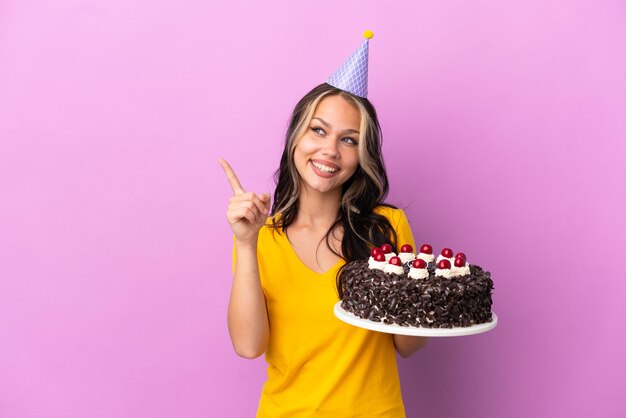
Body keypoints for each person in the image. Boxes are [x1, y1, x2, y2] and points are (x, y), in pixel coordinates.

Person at [219, 33, 428, 417]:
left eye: (349, 139)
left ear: (361, 154)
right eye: (318, 130)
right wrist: (246, 244)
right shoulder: (260, 235)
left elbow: (408, 345)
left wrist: (425, 296)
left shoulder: (388, 227)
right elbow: (249, 347)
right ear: (296, 136)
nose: (330, 150)